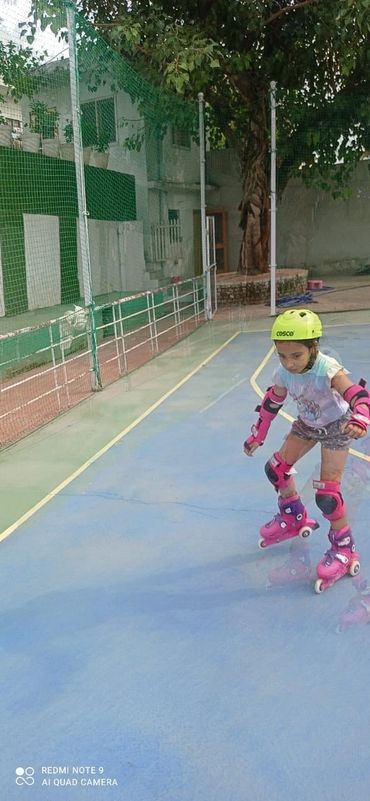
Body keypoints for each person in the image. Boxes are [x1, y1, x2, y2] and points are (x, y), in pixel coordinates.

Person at [244, 308, 370, 593]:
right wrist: (257, 437)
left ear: (314, 347)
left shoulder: (327, 368)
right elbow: (270, 404)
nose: (289, 363)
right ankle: (293, 515)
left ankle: (344, 547)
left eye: (296, 356)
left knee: (327, 495)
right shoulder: (284, 374)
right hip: (307, 424)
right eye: (282, 356)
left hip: (338, 427)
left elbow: (358, 395)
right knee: (275, 469)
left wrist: (361, 417)